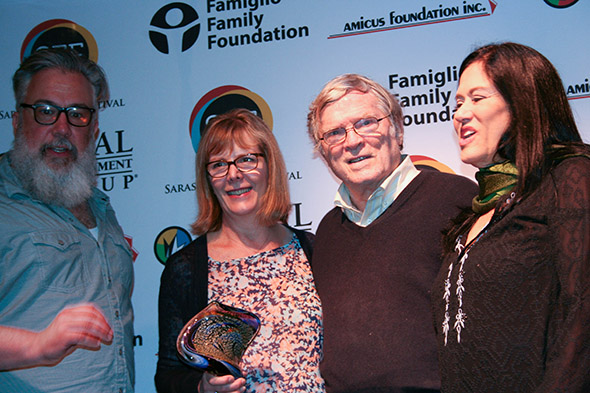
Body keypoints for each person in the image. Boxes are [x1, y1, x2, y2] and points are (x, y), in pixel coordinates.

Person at [431, 42, 590, 392]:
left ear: (522, 102)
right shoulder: (475, 213)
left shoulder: (571, 177)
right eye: (458, 103)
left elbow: (583, 313)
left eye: (477, 98)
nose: (459, 114)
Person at [306, 73, 477, 392]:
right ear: (323, 151)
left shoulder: (456, 201)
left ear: (397, 128)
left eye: (366, 122)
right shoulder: (328, 231)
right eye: (335, 133)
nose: (352, 141)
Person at [155, 108, 324, 393]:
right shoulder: (185, 268)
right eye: (219, 164)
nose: (233, 175)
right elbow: (168, 375)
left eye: (246, 159)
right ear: (208, 178)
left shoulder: (311, 250)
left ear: (270, 165)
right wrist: (202, 388)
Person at [0, 49, 135, 391]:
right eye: (46, 111)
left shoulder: (101, 206)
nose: (62, 127)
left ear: (94, 128)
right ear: (17, 121)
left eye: (78, 114)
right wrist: (37, 345)